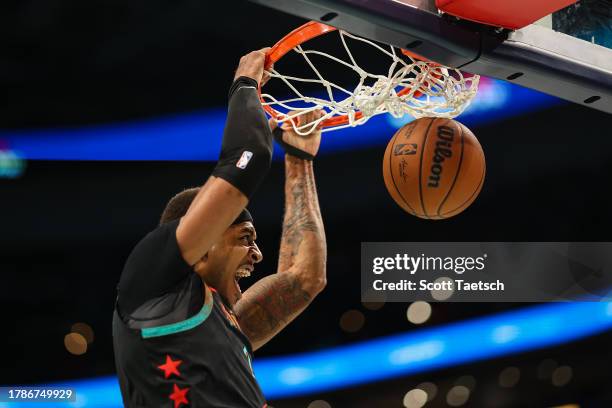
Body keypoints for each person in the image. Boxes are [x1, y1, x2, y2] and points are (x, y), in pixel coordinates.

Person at [112, 48, 327, 408]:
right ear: (206, 240)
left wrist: (299, 159)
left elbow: (304, 278)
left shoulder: (220, 321)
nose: (258, 254)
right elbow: (248, 158)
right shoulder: (149, 285)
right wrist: (245, 82)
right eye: (245, 238)